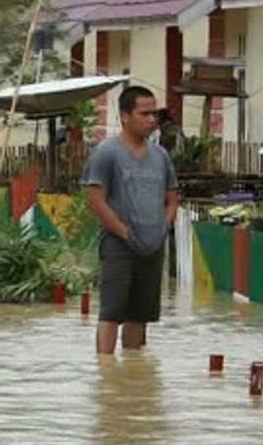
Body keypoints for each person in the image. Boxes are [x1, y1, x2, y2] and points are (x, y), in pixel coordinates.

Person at [82, 86, 179, 355]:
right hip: (118, 244)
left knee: (140, 313)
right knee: (111, 311)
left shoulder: (160, 156)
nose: (151, 119)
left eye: (154, 114)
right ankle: (106, 372)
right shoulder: (106, 153)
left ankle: (133, 372)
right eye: (144, 113)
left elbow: (172, 198)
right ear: (125, 116)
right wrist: (123, 232)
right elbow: (95, 199)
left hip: (153, 244)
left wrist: (164, 227)